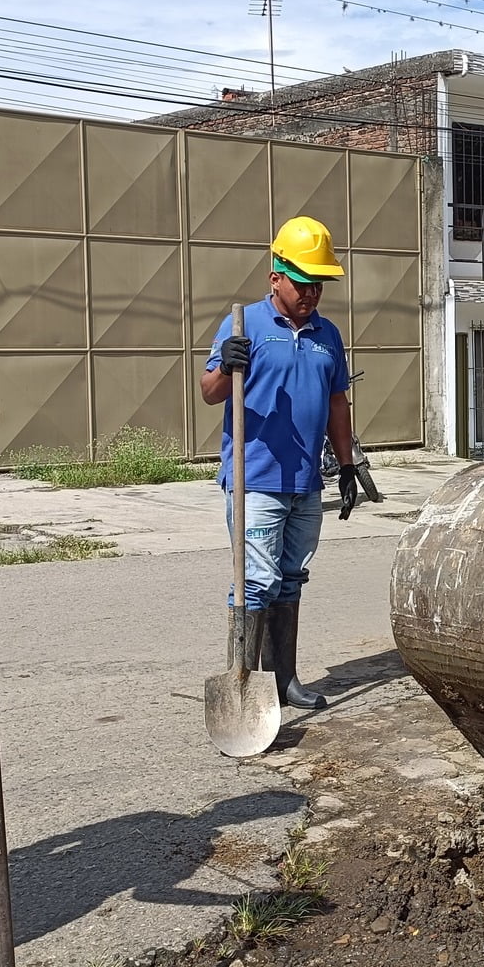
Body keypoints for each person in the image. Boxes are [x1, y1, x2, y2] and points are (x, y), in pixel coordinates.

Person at [199, 215, 359, 713]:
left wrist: (347, 462)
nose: (312, 293)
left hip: (305, 481)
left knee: (290, 578)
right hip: (256, 481)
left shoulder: (327, 334)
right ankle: (243, 683)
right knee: (255, 582)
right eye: (303, 283)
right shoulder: (244, 325)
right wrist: (227, 363)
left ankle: (284, 680)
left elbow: (337, 403)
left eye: (319, 285)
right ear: (276, 277)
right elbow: (210, 394)